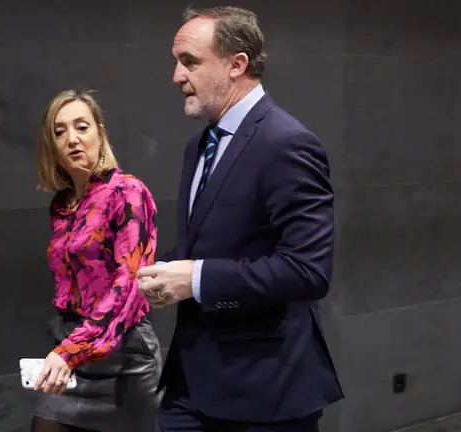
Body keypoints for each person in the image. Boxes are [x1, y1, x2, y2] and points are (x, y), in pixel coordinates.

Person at [136, 6, 344, 432]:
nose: (177, 77)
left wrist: (194, 280)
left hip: (263, 393)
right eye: (176, 62)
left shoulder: (287, 144)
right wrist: (163, 275)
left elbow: (308, 271)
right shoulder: (199, 147)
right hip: (190, 384)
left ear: (237, 64)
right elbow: (212, 248)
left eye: (189, 62)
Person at [31, 89, 162, 432]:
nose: (72, 139)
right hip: (73, 344)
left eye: (82, 127)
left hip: (123, 354)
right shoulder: (62, 206)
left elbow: (129, 284)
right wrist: (68, 347)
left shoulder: (127, 192)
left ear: (99, 132)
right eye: (60, 132)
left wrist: (70, 351)